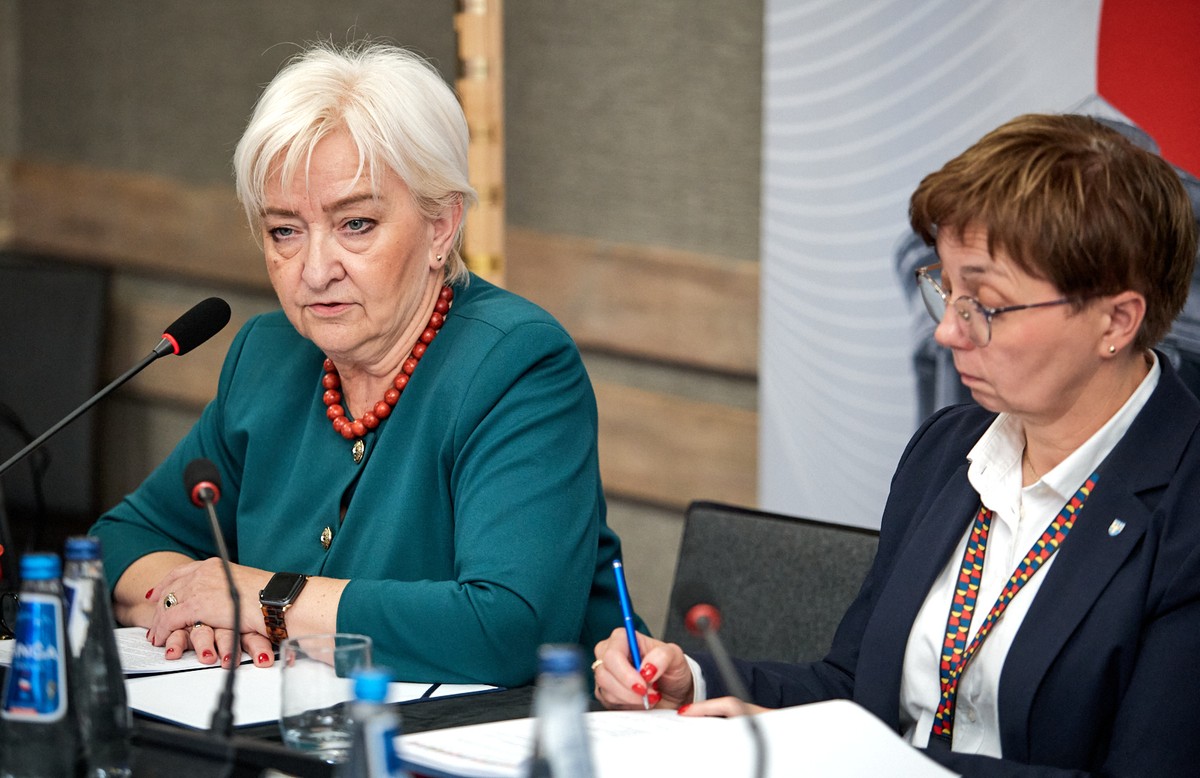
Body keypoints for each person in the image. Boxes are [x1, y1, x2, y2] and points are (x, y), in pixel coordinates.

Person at [593, 113, 1200, 776]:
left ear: (1116, 320)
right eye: (945, 289)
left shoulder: (1186, 506)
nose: (947, 332)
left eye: (984, 304)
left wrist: (866, 762)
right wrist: (696, 683)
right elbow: (858, 691)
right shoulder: (947, 451)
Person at [90, 41, 641, 687]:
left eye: (355, 224)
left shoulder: (516, 363)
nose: (315, 270)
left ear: (441, 226)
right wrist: (191, 605)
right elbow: (118, 542)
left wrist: (265, 603)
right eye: (284, 230)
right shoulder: (267, 355)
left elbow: (511, 629)